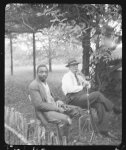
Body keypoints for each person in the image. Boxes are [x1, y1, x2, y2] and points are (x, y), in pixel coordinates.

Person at [62, 58, 122, 138]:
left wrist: (85, 82)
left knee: (99, 104)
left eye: (76, 65)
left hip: (82, 98)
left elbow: (88, 85)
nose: (75, 67)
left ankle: (103, 130)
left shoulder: (78, 76)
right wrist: (82, 86)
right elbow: (70, 89)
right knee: (97, 94)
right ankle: (114, 108)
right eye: (73, 66)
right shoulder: (66, 76)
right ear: (69, 67)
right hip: (73, 100)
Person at [28, 64, 80, 142]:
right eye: (41, 72)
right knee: (65, 119)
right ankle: (63, 142)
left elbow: (51, 97)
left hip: (54, 106)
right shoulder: (34, 85)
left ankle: (68, 135)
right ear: (37, 73)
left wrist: (59, 102)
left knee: (76, 110)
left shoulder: (45, 83)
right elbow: (39, 105)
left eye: (46, 72)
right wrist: (58, 109)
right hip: (45, 112)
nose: (44, 74)